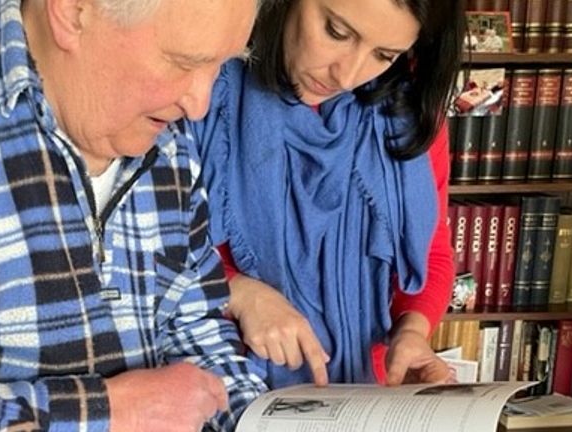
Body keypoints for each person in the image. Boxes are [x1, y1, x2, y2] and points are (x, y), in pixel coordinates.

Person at [0, 0, 267, 430]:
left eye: (220, 66)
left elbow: (197, 327)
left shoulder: (164, 135)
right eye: (183, 62)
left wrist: (256, 420)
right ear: (72, 11)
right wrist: (109, 413)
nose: (199, 105)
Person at [189, 0, 465, 389]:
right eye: (337, 32)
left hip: (360, 391)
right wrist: (239, 292)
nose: (347, 74)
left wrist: (413, 332)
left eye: (384, 55)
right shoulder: (199, 87)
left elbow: (430, 253)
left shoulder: (408, 114)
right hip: (221, 385)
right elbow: (155, 251)